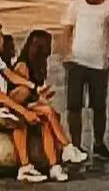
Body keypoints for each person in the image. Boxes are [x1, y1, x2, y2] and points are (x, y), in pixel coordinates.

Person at [58, 0, 109, 165]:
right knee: (74, 106)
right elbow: (67, 30)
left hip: (98, 63)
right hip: (77, 61)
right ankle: (76, 144)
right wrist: (65, 54)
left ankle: (98, 142)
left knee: (98, 106)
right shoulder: (75, 7)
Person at [3, 30, 82, 181]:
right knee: (47, 111)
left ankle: (55, 166)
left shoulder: (37, 67)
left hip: (26, 104)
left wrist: (40, 96)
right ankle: (66, 147)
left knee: (46, 121)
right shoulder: (22, 67)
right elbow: (16, 95)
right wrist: (34, 95)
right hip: (16, 106)